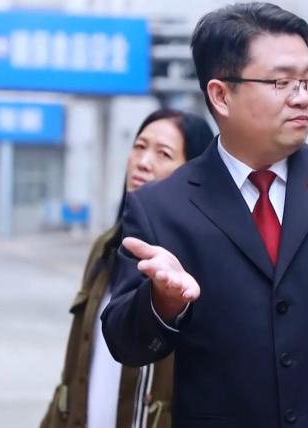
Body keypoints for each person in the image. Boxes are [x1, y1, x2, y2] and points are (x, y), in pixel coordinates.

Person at [100, 3, 308, 428]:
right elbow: (125, 344)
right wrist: (162, 303)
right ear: (221, 95)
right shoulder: (160, 207)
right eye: (282, 82)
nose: (303, 98)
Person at [42, 109, 214, 428]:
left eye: (163, 154)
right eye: (139, 146)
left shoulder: (201, 259)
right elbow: (74, 372)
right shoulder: (105, 247)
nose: (143, 162)